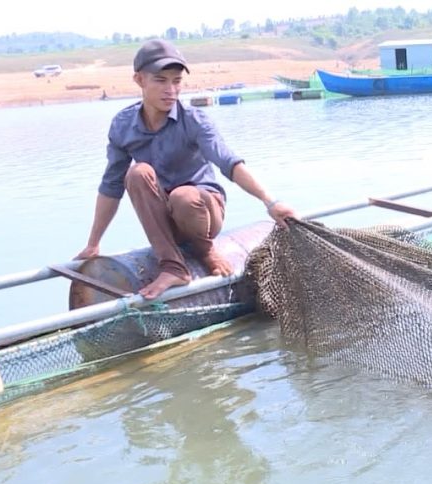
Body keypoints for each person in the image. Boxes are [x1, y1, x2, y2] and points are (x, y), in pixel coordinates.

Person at [75, 39, 296, 300]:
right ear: (139, 80)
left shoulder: (194, 120)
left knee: (184, 196)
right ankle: (174, 266)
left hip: (202, 210)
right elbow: (111, 186)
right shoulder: (123, 125)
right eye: (160, 80)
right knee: (136, 173)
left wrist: (271, 202)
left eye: (177, 81)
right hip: (163, 217)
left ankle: (204, 251)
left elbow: (229, 162)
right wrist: (93, 243)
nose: (171, 90)